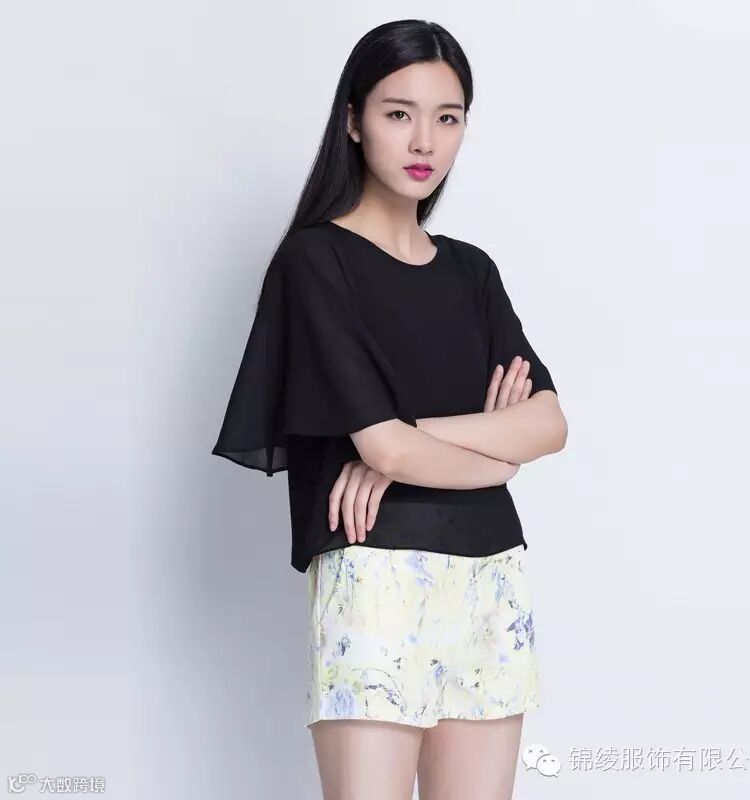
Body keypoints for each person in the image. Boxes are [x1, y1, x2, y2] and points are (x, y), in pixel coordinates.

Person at [211, 18, 568, 800]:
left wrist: (418, 434)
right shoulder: (315, 260)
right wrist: (486, 453)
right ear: (353, 119)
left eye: (448, 117)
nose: (424, 140)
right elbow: (384, 450)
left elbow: (549, 425)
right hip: (374, 575)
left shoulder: (472, 272)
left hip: (491, 576)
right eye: (399, 112)